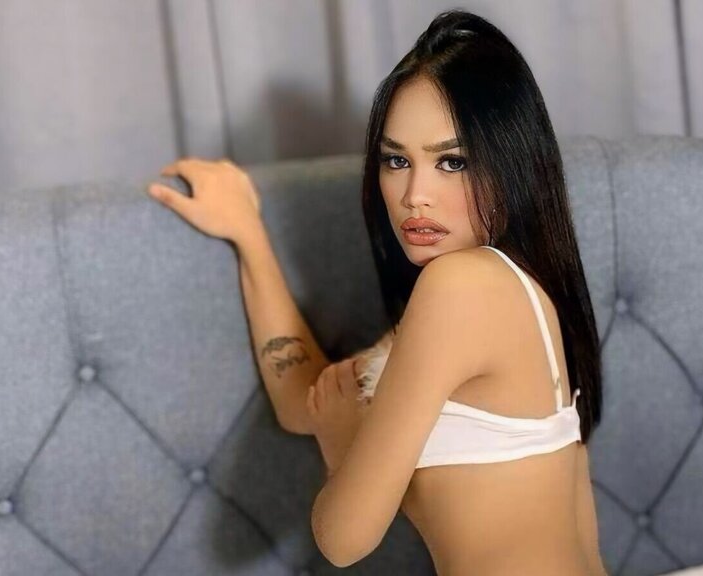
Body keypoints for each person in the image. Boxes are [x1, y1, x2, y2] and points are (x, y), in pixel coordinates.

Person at [146, 8, 606, 575]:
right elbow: (305, 399)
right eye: (396, 160)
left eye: (452, 161)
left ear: (510, 165)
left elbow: (343, 540)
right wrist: (249, 237)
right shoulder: (521, 288)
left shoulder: (462, 288)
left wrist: (342, 442)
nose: (414, 194)